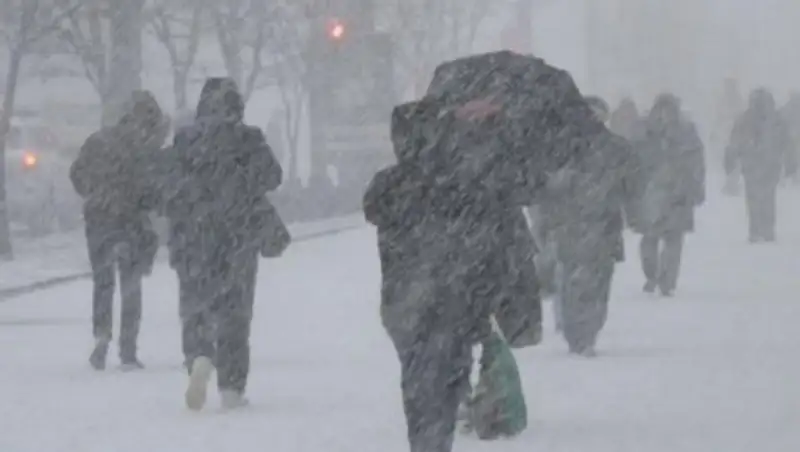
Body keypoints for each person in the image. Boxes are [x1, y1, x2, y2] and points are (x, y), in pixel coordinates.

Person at [365, 51, 601, 452]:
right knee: (442, 381)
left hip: (407, 305)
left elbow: (376, 208)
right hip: (457, 303)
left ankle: (429, 439)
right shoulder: (475, 180)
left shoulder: (394, 183)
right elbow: (509, 237)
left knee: (421, 385)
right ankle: (434, 436)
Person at [164, 77, 283, 410]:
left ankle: (199, 357)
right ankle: (231, 386)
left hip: (192, 238)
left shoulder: (185, 141)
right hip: (238, 238)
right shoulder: (249, 139)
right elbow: (273, 177)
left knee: (195, 305)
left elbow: (166, 187)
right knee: (235, 311)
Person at [70, 90, 166, 371]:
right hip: (130, 222)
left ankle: (102, 337)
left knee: (103, 283)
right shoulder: (143, 148)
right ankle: (128, 348)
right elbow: (152, 189)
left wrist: (94, 193)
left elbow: (76, 173)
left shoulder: (98, 140)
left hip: (99, 219)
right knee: (131, 286)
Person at [544, 95, 642, 356]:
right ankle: (575, 331)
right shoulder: (560, 146)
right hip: (570, 223)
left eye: (597, 114)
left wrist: (635, 214)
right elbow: (543, 183)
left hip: (605, 224)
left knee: (599, 281)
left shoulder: (617, 147)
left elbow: (632, 186)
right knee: (571, 278)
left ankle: (589, 332)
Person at [634, 93, 705, 296]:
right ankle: (654, 276)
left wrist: (696, 186)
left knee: (671, 238)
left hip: (675, 192)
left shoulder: (685, 131)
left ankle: (666, 280)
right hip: (655, 191)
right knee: (652, 238)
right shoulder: (645, 130)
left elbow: (697, 162)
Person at [725, 88, 797, 243]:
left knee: (756, 198)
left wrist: (731, 161)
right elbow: (788, 143)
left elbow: (733, 143)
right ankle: (765, 229)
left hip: (757, 165)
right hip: (766, 165)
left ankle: (758, 229)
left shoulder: (746, 119)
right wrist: (790, 164)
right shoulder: (775, 119)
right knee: (766, 198)